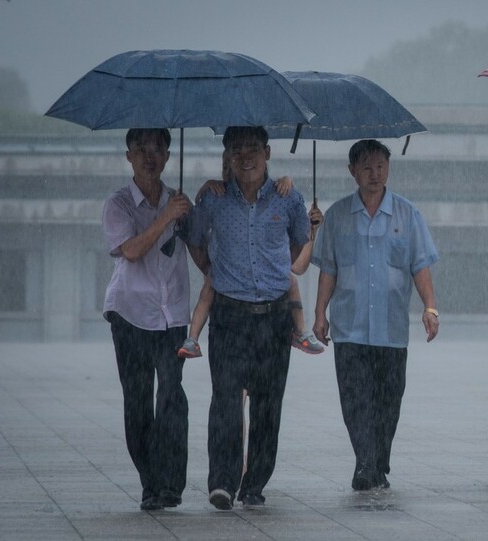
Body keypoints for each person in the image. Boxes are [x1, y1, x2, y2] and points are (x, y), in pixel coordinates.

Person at [188, 126, 310, 510]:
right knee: (225, 401)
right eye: (237, 149)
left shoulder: (288, 199)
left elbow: (299, 241)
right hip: (229, 315)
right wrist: (212, 269)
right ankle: (222, 481)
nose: (246, 156)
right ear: (228, 156)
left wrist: (277, 273)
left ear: (268, 152)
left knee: (267, 405)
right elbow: (193, 237)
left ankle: (254, 483)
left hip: (274, 319)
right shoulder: (214, 199)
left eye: (253, 148)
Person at [312, 139, 440, 491]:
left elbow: (421, 266)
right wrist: (320, 315)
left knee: (387, 403)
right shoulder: (337, 216)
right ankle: (366, 465)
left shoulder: (407, 214)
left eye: (381, 165)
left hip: (391, 329)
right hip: (350, 327)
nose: (375, 173)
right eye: (366, 166)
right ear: (352, 170)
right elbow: (328, 270)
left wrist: (430, 307)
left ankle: (377, 460)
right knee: (355, 401)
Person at [101, 128, 191, 511]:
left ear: (169, 156)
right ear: (128, 156)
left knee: (172, 397)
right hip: (131, 313)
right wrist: (165, 217)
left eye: (157, 149)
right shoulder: (118, 204)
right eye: (141, 150)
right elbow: (132, 251)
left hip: (172, 314)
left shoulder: (180, 202)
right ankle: (150, 482)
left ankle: (171, 483)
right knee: (138, 402)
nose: (149, 157)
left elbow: (202, 247)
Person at [177, 152, 324, 358]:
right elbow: (196, 233)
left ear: (266, 155)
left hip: (265, 291)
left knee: (290, 280)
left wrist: (309, 229)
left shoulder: (279, 197)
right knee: (208, 290)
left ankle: (301, 331)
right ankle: (192, 338)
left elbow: (297, 265)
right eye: (226, 167)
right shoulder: (217, 197)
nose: (229, 171)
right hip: (226, 280)